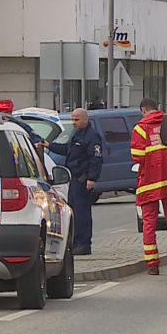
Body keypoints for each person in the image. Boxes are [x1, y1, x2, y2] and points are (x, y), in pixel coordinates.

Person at [42, 108, 103, 255]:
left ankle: (83, 244)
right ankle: (76, 242)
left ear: (85, 119)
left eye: (77, 120)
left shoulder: (91, 136)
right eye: (73, 119)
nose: (74, 122)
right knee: (74, 212)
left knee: (82, 213)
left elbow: (96, 159)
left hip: (83, 179)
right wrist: (49, 145)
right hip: (74, 179)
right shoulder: (77, 135)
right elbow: (67, 149)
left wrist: (92, 178)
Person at [131, 98, 167, 275]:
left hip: (149, 181)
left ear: (143, 109)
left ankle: (152, 264)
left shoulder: (140, 128)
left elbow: (137, 157)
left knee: (149, 222)